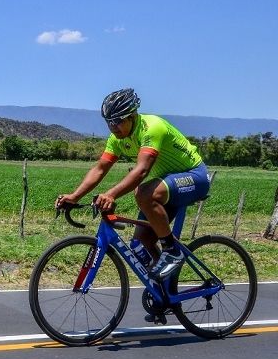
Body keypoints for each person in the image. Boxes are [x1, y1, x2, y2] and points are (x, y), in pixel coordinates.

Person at [56, 88, 210, 281]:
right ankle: (164, 290)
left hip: (194, 176)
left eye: (118, 121)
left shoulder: (152, 127)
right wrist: (74, 196)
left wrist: (110, 194)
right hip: (166, 185)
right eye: (109, 122)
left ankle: (172, 251)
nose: (113, 127)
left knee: (144, 193)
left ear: (132, 115)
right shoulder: (117, 140)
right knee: (141, 241)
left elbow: (142, 171)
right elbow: (100, 169)